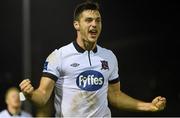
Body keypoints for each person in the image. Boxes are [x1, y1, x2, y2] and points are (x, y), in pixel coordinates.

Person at [19, 1, 166, 117]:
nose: (94, 24)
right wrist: (30, 94)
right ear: (76, 24)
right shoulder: (59, 56)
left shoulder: (109, 57)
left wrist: (150, 106)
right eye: (88, 20)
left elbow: (115, 96)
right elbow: (43, 96)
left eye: (98, 20)